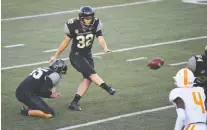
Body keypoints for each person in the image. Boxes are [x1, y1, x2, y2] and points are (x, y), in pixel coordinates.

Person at [50, 6, 116, 111]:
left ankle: (74, 102)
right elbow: (66, 42)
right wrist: (56, 55)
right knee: (92, 75)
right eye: (86, 18)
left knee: (88, 79)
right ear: (81, 17)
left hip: (87, 55)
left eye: (90, 18)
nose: (89, 20)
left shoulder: (96, 23)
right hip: (76, 55)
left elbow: (100, 37)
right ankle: (108, 88)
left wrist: (105, 47)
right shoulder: (72, 24)